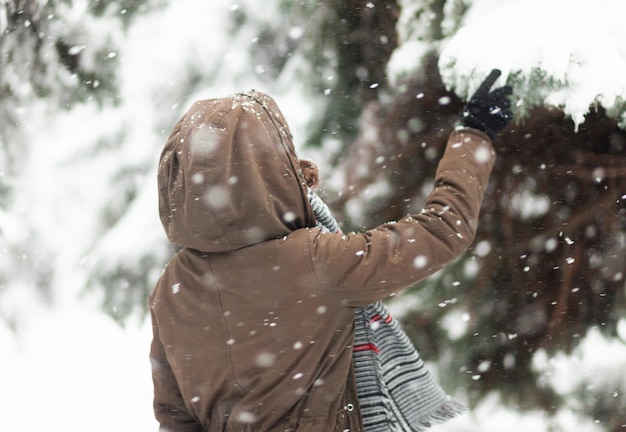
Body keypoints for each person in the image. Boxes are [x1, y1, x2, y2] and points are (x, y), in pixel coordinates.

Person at [150, 69, 513, 432]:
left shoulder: (170, 288)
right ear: (271, 168)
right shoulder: (314, 262)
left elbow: (175, 416)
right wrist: (474, 134)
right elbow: (443, 230)